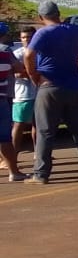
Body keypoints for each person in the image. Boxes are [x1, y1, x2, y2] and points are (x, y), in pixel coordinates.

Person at [24, 1, 78, 184]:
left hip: (49, 85)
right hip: (73, 85)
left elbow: (28, 55)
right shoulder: (74, 29)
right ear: (58, 13)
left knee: (45, 131)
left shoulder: (43, 32)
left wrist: (33, 74)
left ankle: (41, 173)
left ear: (41, 17)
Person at [1, 23, 29, 181]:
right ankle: (13, 172)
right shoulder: (5, 51)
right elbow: (18, 68)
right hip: (3, 96)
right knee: (5, 137)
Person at [9, 26, 37, 157]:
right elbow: (15, 73)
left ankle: (38, 152)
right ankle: (12, 154)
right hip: (22, 94)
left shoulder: (40, 52)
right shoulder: (18, 54)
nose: (26, 40)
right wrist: (32, 73)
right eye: (24, 37)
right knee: (19, 124)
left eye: (29, 37)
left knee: (38, 124)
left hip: (39, 93)